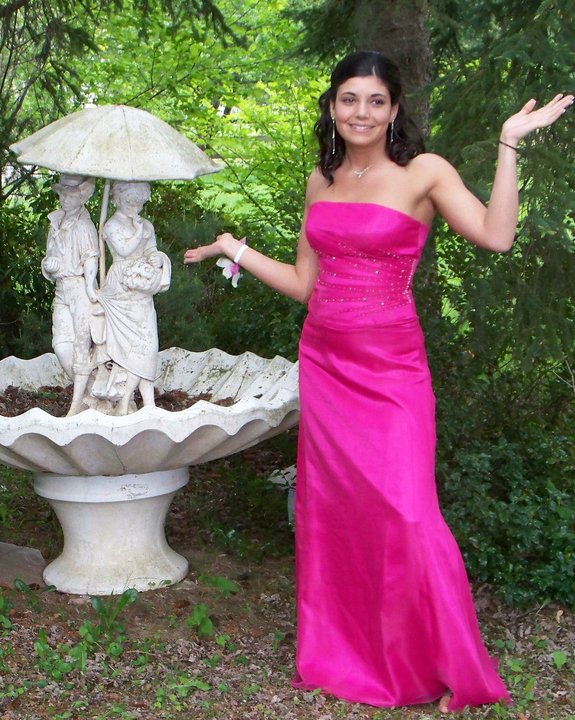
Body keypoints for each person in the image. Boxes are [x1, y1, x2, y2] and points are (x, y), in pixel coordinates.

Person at [183, 51, 573, 712]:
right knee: (338, 512)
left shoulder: (423, 171)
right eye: (348, 98)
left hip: (391, 371)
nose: (360, 112)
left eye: (375, 100)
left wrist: (508, 142)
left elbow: (496, 235)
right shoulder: (322, 178)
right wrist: (234, 249)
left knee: (407, 511)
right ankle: (349, 655)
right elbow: (306, 285)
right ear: (332, 106)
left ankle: (437, 660)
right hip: (326, 365)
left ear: (393, 110)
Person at [95, 181, 171, 415]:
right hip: (121, 287)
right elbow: (124, 250)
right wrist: (138, 232)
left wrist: (157, 258)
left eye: (139, 203)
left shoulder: (146, 225)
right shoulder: (111, 225)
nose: (135, 207)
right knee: (128, 349)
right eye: (130, 202)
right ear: (117, 199)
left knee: (148, 345)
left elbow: (151, 250)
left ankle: (143, 402)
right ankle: (129, 401)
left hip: (141, 286)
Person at [41, 174, 99, 416]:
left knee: (82, 345)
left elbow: (91, 257)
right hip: (61, 288)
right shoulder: (55, 223)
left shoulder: (84, 226)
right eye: (62, 194)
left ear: (82, 197)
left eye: (70, 195)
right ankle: (93, 393)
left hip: (79, 288)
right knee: (61, 345)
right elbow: (49, 257)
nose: (64, 199)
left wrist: (90, 287)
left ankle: (79, 404)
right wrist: (49, 265)